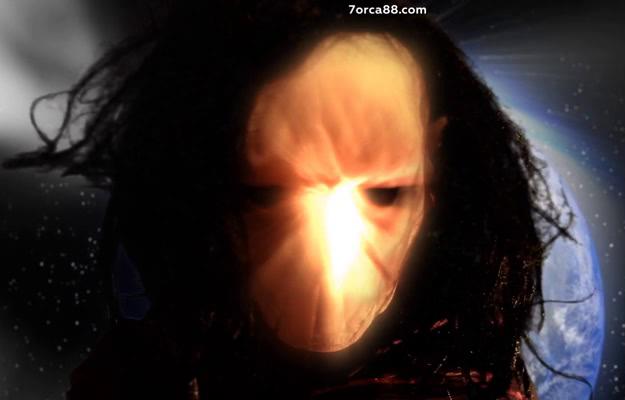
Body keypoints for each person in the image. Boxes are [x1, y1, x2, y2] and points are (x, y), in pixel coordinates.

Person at [5, 1, 571, 398]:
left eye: (384, 192)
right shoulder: (140, 374)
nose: (328, 267)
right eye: (265, 193)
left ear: (435, 170)